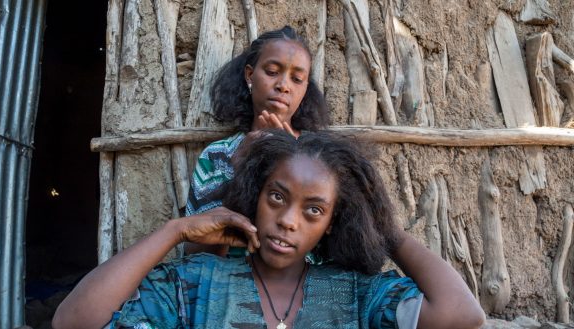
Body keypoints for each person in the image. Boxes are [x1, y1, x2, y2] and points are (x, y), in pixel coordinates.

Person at [52, 130, 485, 329]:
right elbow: (74, 321)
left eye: (314, 211)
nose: (289, 219)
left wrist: (380, 226)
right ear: (255, 196)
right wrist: (175, 231)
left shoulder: (357, 295)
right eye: (277, 197)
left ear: (333, 222)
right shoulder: (195, 285)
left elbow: (462, 315)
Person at [184, 25, 328, 256]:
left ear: (305, 89)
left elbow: (333, 245)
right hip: (226, 286)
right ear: (250, 75)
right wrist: (241, 168)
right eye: (272, 71)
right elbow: (195, 254)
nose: (283, 85)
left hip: (302, 288)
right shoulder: (218, 156)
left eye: (297, 78)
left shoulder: (321, 156)